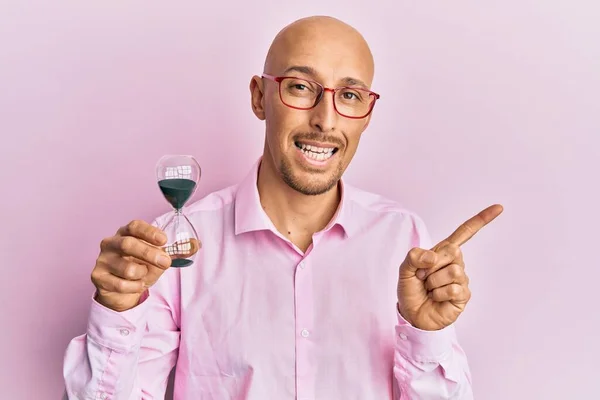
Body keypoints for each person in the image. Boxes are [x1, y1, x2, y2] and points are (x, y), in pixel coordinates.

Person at [63, 15, 502, 399]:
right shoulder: (177, 246)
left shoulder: (403, 240)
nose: (325, 120)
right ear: (259, 97)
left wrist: (427, 335)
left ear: (367, 114)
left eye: (349, 96)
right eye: (300, 87)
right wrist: (115, 313)